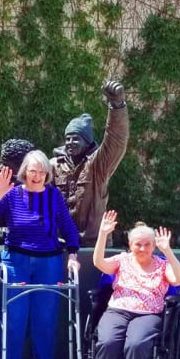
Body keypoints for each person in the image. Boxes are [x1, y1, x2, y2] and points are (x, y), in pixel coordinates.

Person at [0, 150, 80, 359]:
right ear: (25, 172)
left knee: (45, 318)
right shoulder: (13, 194)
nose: (37, 176)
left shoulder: (53, 195)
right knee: (13, 316)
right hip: (16, 260)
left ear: (47, 174)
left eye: (42, 171)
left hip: (50, 261)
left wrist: (74, 254)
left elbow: (67, 226)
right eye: (33, 171)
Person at [90, 210, 180, 359]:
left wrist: (168, 251)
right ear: (130, 244)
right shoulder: (122, 260)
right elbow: (99, 263)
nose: (142, 248)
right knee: (107, 342)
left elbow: (179, 280)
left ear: (153, 245)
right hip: (117, 310)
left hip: (148, 314)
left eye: (147, 244)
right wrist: (103, 234)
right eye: (138, 244)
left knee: (135, 344)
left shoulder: (162, 265)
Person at [50, 81, 129, 246]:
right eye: (68, 138)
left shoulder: (98, 164)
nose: (70, 142)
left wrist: (117, 106)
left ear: (87, 141)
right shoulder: (53, 165)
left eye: (76, 138)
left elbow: (115, 140)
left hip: (93, 244)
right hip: (60, 243)